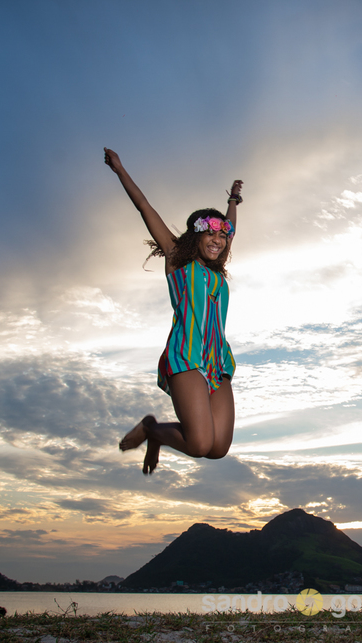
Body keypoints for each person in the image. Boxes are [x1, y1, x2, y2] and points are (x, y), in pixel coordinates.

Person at [104, 147, 242, 474]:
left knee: (218, 449)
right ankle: (153, 430)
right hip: (185, 356)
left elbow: (230, 228)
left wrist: (233, 201)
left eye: (223, 236)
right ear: (195, 236)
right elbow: (144, 207)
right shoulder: (177, 260)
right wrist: (120, 169)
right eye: (210, 233)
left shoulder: (217, 269)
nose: (219, 240)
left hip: (217, 359)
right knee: (198, 444)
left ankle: (156, 433)